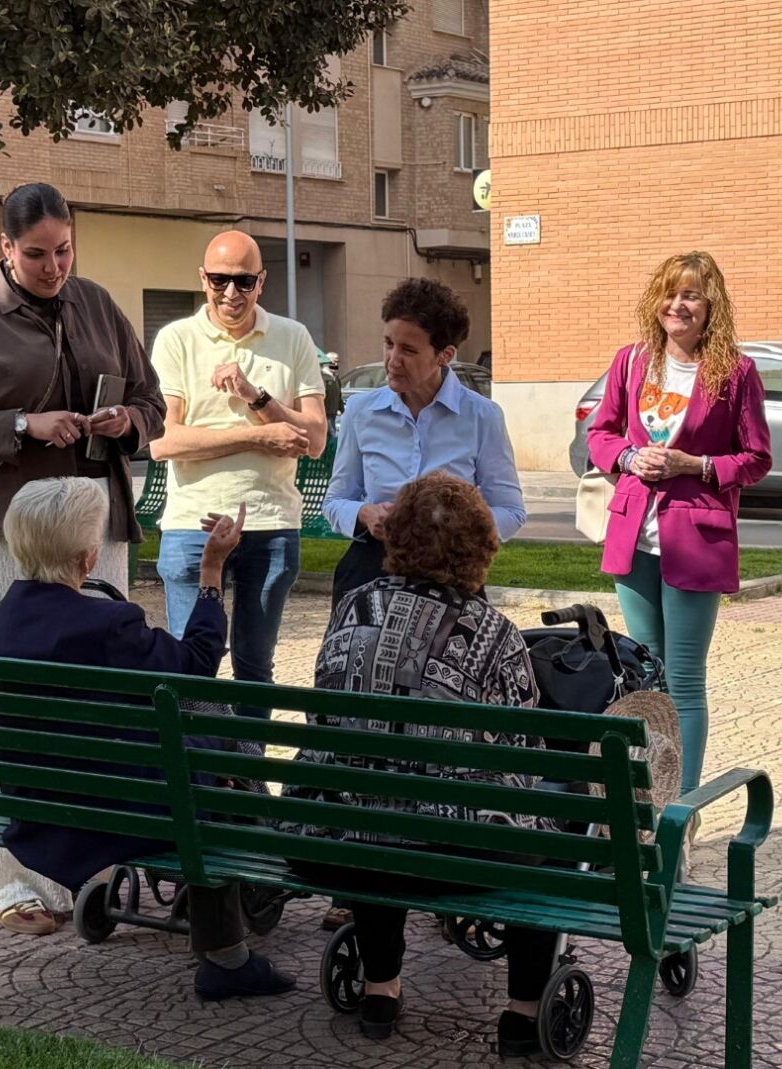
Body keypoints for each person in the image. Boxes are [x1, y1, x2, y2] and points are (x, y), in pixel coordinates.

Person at [0, 181, 164, 937]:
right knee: (11, 700)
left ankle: (92, 867)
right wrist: (22, 424)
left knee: (101, 701)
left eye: (64, 251)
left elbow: (153, 403)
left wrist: (124, 421)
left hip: (96, 532)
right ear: (5, 248)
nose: (54, 267)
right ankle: (11, 880)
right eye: (36, 255)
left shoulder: (98, 304)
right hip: (8, 537)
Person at [0, 477, 296, 1001]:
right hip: (118, 815)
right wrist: (211, 572)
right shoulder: (107, 622)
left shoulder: (3, 618)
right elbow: (196, 667)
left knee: (198, 756)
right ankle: (226, 957)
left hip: (44, 810)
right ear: (87, 558)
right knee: (219, 772)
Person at [288, 473, 560, 1054]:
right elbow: (523, 756)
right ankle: (523, 1011)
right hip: (452, 857)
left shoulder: (352, 607)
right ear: (481, 545)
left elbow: (325, 718)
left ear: (397, 537)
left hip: (331, 845)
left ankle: (380, 989)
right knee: (551, 834)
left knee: (374, 804)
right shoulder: (495, 633)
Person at [585, 251, 771, 801]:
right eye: (670, 293)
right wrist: (627, 457)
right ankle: (648, 800)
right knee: (646, 678)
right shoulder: (632, 361)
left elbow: (756, 458)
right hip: (633, 536)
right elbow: (601, 434)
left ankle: (681, 809)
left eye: (691, 294)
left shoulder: (735, 371)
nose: (678, 305)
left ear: (711, 305)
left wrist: (697, 465)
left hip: (697, 539)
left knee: (684, 679)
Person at [147, 231, 327, 718]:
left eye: (244, 281)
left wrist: (256, 396)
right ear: (202, 278)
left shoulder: (293, 337)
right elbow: (163, 441)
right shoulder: (176, 339)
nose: (231, 292)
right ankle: (197, 766)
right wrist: (257, 438)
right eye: (219, 280)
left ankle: (247, 766)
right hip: (193, 525)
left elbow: (314, 438)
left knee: (255, 671)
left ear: (261, 282)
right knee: (191, 672)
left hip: (270, 523)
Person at [322, 279, 525, 605]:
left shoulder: (482, 417)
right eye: (388, 343)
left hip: (452, 578)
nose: (393, 359)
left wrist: (454, 529)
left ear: (445, 355)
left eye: (409, 350)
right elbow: (335, 502)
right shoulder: (361, 411)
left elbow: (511, 512)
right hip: (370, 572)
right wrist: (365, 514)